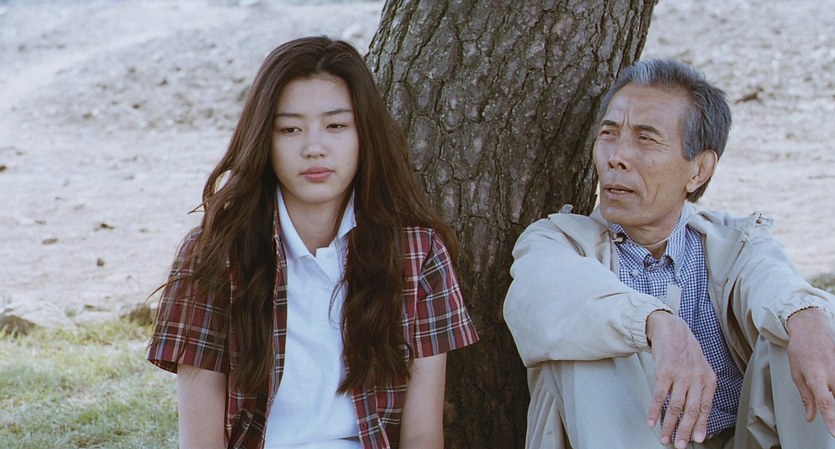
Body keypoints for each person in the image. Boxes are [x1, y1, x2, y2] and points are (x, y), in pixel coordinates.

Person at [147, 36, 478, 449]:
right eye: (290, 129)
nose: (314, 148)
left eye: (336, 125)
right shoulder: (212, 255)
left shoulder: (418, 253)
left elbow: (423, 433)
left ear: (365, 134)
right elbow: (201, 441)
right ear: (263, 140)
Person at [504, 59, 835, 449]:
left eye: (645, 140)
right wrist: (655, 324)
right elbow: (541, 292)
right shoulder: (557, 241)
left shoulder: (735, 241)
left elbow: (773, 281)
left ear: (698, 170)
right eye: (609, 134)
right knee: (593, 341)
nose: (616, 157)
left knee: (802, 327)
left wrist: (806, 316)